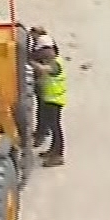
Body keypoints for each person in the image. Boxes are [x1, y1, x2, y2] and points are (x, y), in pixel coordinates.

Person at [30, 40, 67, 168]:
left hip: (55, 101)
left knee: (56, 128)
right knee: (52, 126)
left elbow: (44, 69)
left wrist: (31, 62)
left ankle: (58, 155)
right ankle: (52, 151)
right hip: (50, 100)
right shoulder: (54, 60)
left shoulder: (55, 64)